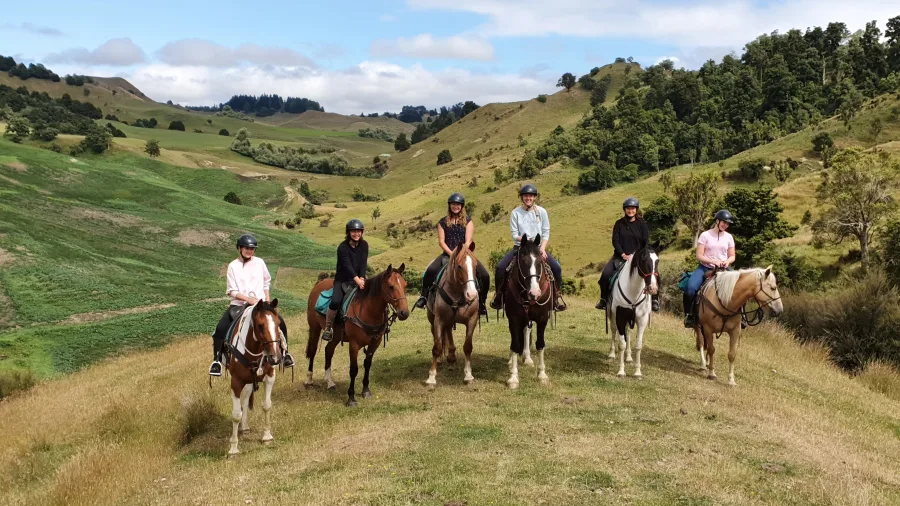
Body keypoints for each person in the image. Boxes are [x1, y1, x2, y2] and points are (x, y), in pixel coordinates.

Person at [209, 234, 294, 376]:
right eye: (246, 248)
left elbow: (266, 282)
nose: (249, 251)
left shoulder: (260, 262)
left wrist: (267, 300)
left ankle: (285, 354)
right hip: (239, 305)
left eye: (252, 249)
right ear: (239, 248)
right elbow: (232, 291)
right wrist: (249, 300)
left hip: (261, 305)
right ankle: (217, 361)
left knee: (281, 324)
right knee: (220, 329)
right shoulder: (233, 266)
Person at [490, 184, 567, 312]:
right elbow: (515, 234)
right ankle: (499, 297)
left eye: (531, 196)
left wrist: (542, 248)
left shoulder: (542, 212)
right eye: (525, 196)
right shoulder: (516, 213)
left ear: (535, 197)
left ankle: (556, 298)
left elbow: (546, 232)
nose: (528, 198)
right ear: (522, 197)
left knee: (556, 268)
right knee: (500, 268)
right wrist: (525, 240)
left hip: (537, 249)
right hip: (520, 247)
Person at [414, 192, 490, 315]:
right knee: (431, 270)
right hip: (447, 254)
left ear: (462, 206)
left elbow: (468, 240)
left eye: (458, 205)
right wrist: (452, 254)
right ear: (449, 206)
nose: (456, 207)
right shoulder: (442, 222)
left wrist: (461, 254)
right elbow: (441, 242)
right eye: (453, 204)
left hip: (465, 255)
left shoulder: (468, 221)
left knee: (485, 275)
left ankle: (482, 303)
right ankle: (423, 297)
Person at [596, 197, 660, 312]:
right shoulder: (619, 224)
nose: (630, 211)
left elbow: (645, 241)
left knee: (654, 274)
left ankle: (655, 299)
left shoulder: (642, 224)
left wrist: (638, 256)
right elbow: (615, 241)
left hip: (638, 258)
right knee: (605, 275)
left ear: (636, 209)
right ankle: (604, 299)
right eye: (628, 209)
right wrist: (623, 254)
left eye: (633, 208)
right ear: (624, 210)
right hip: (620, 257)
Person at [683, 209, 736, 328]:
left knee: (740, 284)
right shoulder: (705, 235)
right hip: (705, 268)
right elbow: (699, 255)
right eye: (724, 222)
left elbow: (732, 256)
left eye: (727, 224)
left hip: (723, 269)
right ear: (717, 221)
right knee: (690, 288)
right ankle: (689, 315)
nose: (725, 225)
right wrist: (713, 261)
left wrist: (727, 261)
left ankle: (740, 318)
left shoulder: (729, 237)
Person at [321, 219, 369, 342]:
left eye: (359, 231)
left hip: (359, 278)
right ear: (348, 232)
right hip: (342, 280)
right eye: (354, 231)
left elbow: (363, 263)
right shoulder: (342, 247)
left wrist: (362, 278)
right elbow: (347, 266)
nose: (356, 234)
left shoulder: (364, 245)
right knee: (336, 301)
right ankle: (328, 328)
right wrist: (357, 280)